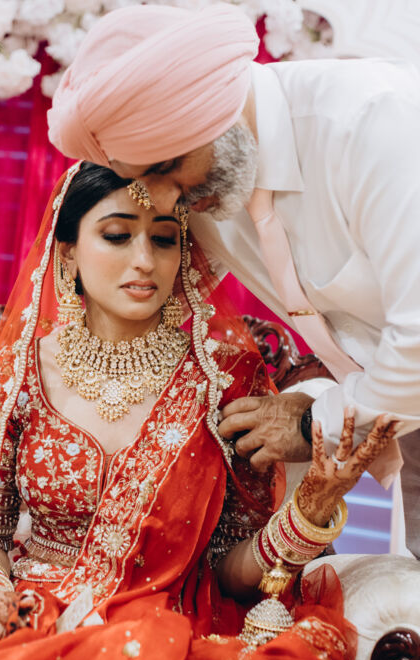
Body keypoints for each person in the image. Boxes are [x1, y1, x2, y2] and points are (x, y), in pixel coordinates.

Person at [0, 163, 394, 660]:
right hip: (28, 625)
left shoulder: (225, 382)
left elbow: (231, 569)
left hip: (167, 637)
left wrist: (313, 507)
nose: (143, 260)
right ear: (67, 254)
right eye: (116, 235)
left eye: (162, 239)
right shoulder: (15, 376)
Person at [38, 2, 419, 558]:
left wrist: (314, 420)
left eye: (164, 169)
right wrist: (21, 382)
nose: (163, 201)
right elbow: (126, 308)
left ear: (210, 114)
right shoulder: (204, 183)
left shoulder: (373, 124)